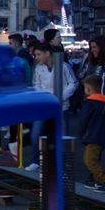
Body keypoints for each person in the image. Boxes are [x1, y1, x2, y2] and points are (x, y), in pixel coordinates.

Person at [26, 42, 77, 172]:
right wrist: (44, 96)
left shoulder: (64, 66)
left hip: (61, 105)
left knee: (61, 134)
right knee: (36, 134)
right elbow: (36, 84)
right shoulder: (38, 68)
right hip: (44, 105)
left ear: (47, 53)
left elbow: (73, 83)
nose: (36, 57)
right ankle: (36, 161)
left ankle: (63, 162)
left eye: (38, 54)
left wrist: (60, 96)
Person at [79, 75, 105, 193]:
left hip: (92, 135)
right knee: (95, 158)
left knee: (89, 160)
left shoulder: (90, 103)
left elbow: (84, 120)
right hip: (103, 135)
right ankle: (98, 181)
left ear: (88, 89)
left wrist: (81, 133)